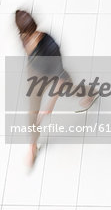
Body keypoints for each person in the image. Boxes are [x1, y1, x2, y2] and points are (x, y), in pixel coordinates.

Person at [15, 10, 98, 166]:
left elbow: (60, 77)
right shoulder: (23, 38)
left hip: (55, 74)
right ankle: (33, 145)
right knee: (32, 112)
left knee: (72, 90)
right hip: (36, 75)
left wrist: (50, 105)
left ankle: (90, 92)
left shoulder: (50, 45)